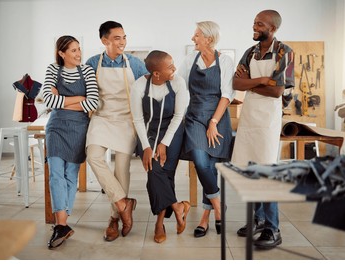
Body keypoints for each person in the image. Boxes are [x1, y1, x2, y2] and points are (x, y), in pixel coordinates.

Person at [231, 10, 295, 249]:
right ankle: (257, 219)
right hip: (249, 116)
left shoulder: (285, 53)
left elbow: (278, 91)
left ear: (273, 28)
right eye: (254, 22)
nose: (254, 26)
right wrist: (261, 81)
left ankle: (272, 227)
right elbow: (236, 83)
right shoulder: (250, 52)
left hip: (268, 117)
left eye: (260, 23)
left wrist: (251, 83)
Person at [85, 21, 148, 242]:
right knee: (93, 156)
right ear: (105, 40)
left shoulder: (136, 64)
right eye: (117, 38)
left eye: (124, 37)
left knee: (122, 170)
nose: (122, 42)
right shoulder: (93, 63)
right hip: (101, 118)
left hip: (126, 121)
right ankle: (123, 203)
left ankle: (114, 217)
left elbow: (150, 89)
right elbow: (86, 94)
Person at [179, 21, 235, 238]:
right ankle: (220, 208)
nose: (193, 38)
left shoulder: (226, 62)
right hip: (194, 117)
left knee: (210, 167)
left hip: (217, 118)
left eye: (197, 35)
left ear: (208, 39)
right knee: (201, 163)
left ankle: (205, 217)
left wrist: (213, 123)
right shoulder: (189, 60)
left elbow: (227, 95)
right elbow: (178, 83)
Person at [42, 35, 99, 249]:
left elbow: (93, 102)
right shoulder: (52, 70)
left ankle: (61, 225)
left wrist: (63, 100)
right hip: (56, 127)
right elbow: (49, 100)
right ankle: (62, 224)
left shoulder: (87, 71)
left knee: (70, 176)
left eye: (78, 49)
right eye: (73, 50)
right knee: (55, 173)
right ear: (62, 53)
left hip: (78, 128)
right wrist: (79, 99)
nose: (78, 54)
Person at [130, 50, 190, 243]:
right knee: (154, 171)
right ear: (156, 73)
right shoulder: (139, 86)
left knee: (166, 174)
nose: (174, 69)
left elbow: (179, 116)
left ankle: (159, 223)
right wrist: (147, 147)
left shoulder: (178, 82)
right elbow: (138, 119)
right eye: (170, 66)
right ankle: (177, 206)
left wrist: (164, 143)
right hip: (147, 132)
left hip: (172, 133)